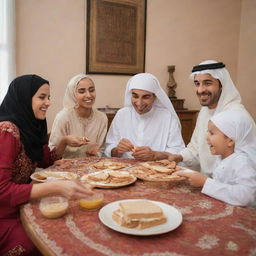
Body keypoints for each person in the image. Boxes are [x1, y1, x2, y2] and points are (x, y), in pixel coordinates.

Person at [0, 75, 93, 255]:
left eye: (48, 97)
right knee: (48, 239)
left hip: (21, 204)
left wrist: (64, 142)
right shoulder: (6, 132)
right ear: (25, 98)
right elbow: (2, 190)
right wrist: (55, 187)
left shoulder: (31, 125)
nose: (48, 102)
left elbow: (45, 160)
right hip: (4, 213)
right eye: (42, 97)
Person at [168, 60, 256, 175]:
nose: (200, 90)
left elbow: (245, 165)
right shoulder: (204, 112)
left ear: (221, 85)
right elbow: (196, 148)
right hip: (207, 184)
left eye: (207, 83)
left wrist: (209, 184)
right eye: (197, 84)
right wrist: (178, 157)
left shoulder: (236, 115)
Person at [176, 110, 256, 206]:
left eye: (212, 133)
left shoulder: (241, 162)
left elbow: (246, 196)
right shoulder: (221, 158)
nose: (207, 137)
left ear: (230, 141)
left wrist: (205, 183)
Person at [104, 73, 185, 161]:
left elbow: (178, 150)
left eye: (145, 97)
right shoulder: (122, 114)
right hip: (124, 171)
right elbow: (109, 147)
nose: (139, 103)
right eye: (135, 96)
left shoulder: (167, 117)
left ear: (154, 97)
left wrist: (155, 155)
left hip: (157, 170)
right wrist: (118, 150)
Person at [49, 74, 108, 158]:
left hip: (93, 167)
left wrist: (95, 154)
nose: (88, 95)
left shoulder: (101, 118)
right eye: (81, 91)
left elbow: (101, 149)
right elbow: (52, 154)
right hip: (64, 168)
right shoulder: (63, 117)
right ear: (72, 94)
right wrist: (65, 141)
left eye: (91, 90)